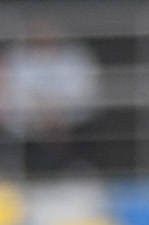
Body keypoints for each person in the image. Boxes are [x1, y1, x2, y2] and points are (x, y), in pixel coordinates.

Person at [4, 25, 103, 177]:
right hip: (29, 121)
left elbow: (85, 92)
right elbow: (12, 93)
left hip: (68, 120)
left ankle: (79, 167)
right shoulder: (15, 56)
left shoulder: (75, 56)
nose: (43, 34)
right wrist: (41, 114)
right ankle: (20, 171)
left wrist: (58, 113)